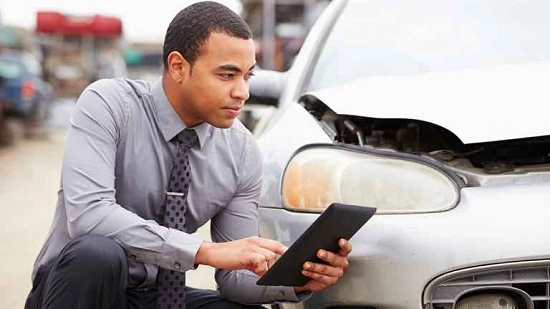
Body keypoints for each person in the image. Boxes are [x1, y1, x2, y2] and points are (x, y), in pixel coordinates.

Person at [24, 2, 352, 308]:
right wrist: (203, 251)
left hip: (157, 297)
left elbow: (235, 279)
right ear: (178, 67)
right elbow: (89, 217)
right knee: (98, 254)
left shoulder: (241, 150)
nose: (242, 92)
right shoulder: (109, 105)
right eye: (227, 75)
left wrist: (298, 278)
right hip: (78, 288)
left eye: (247, 76)